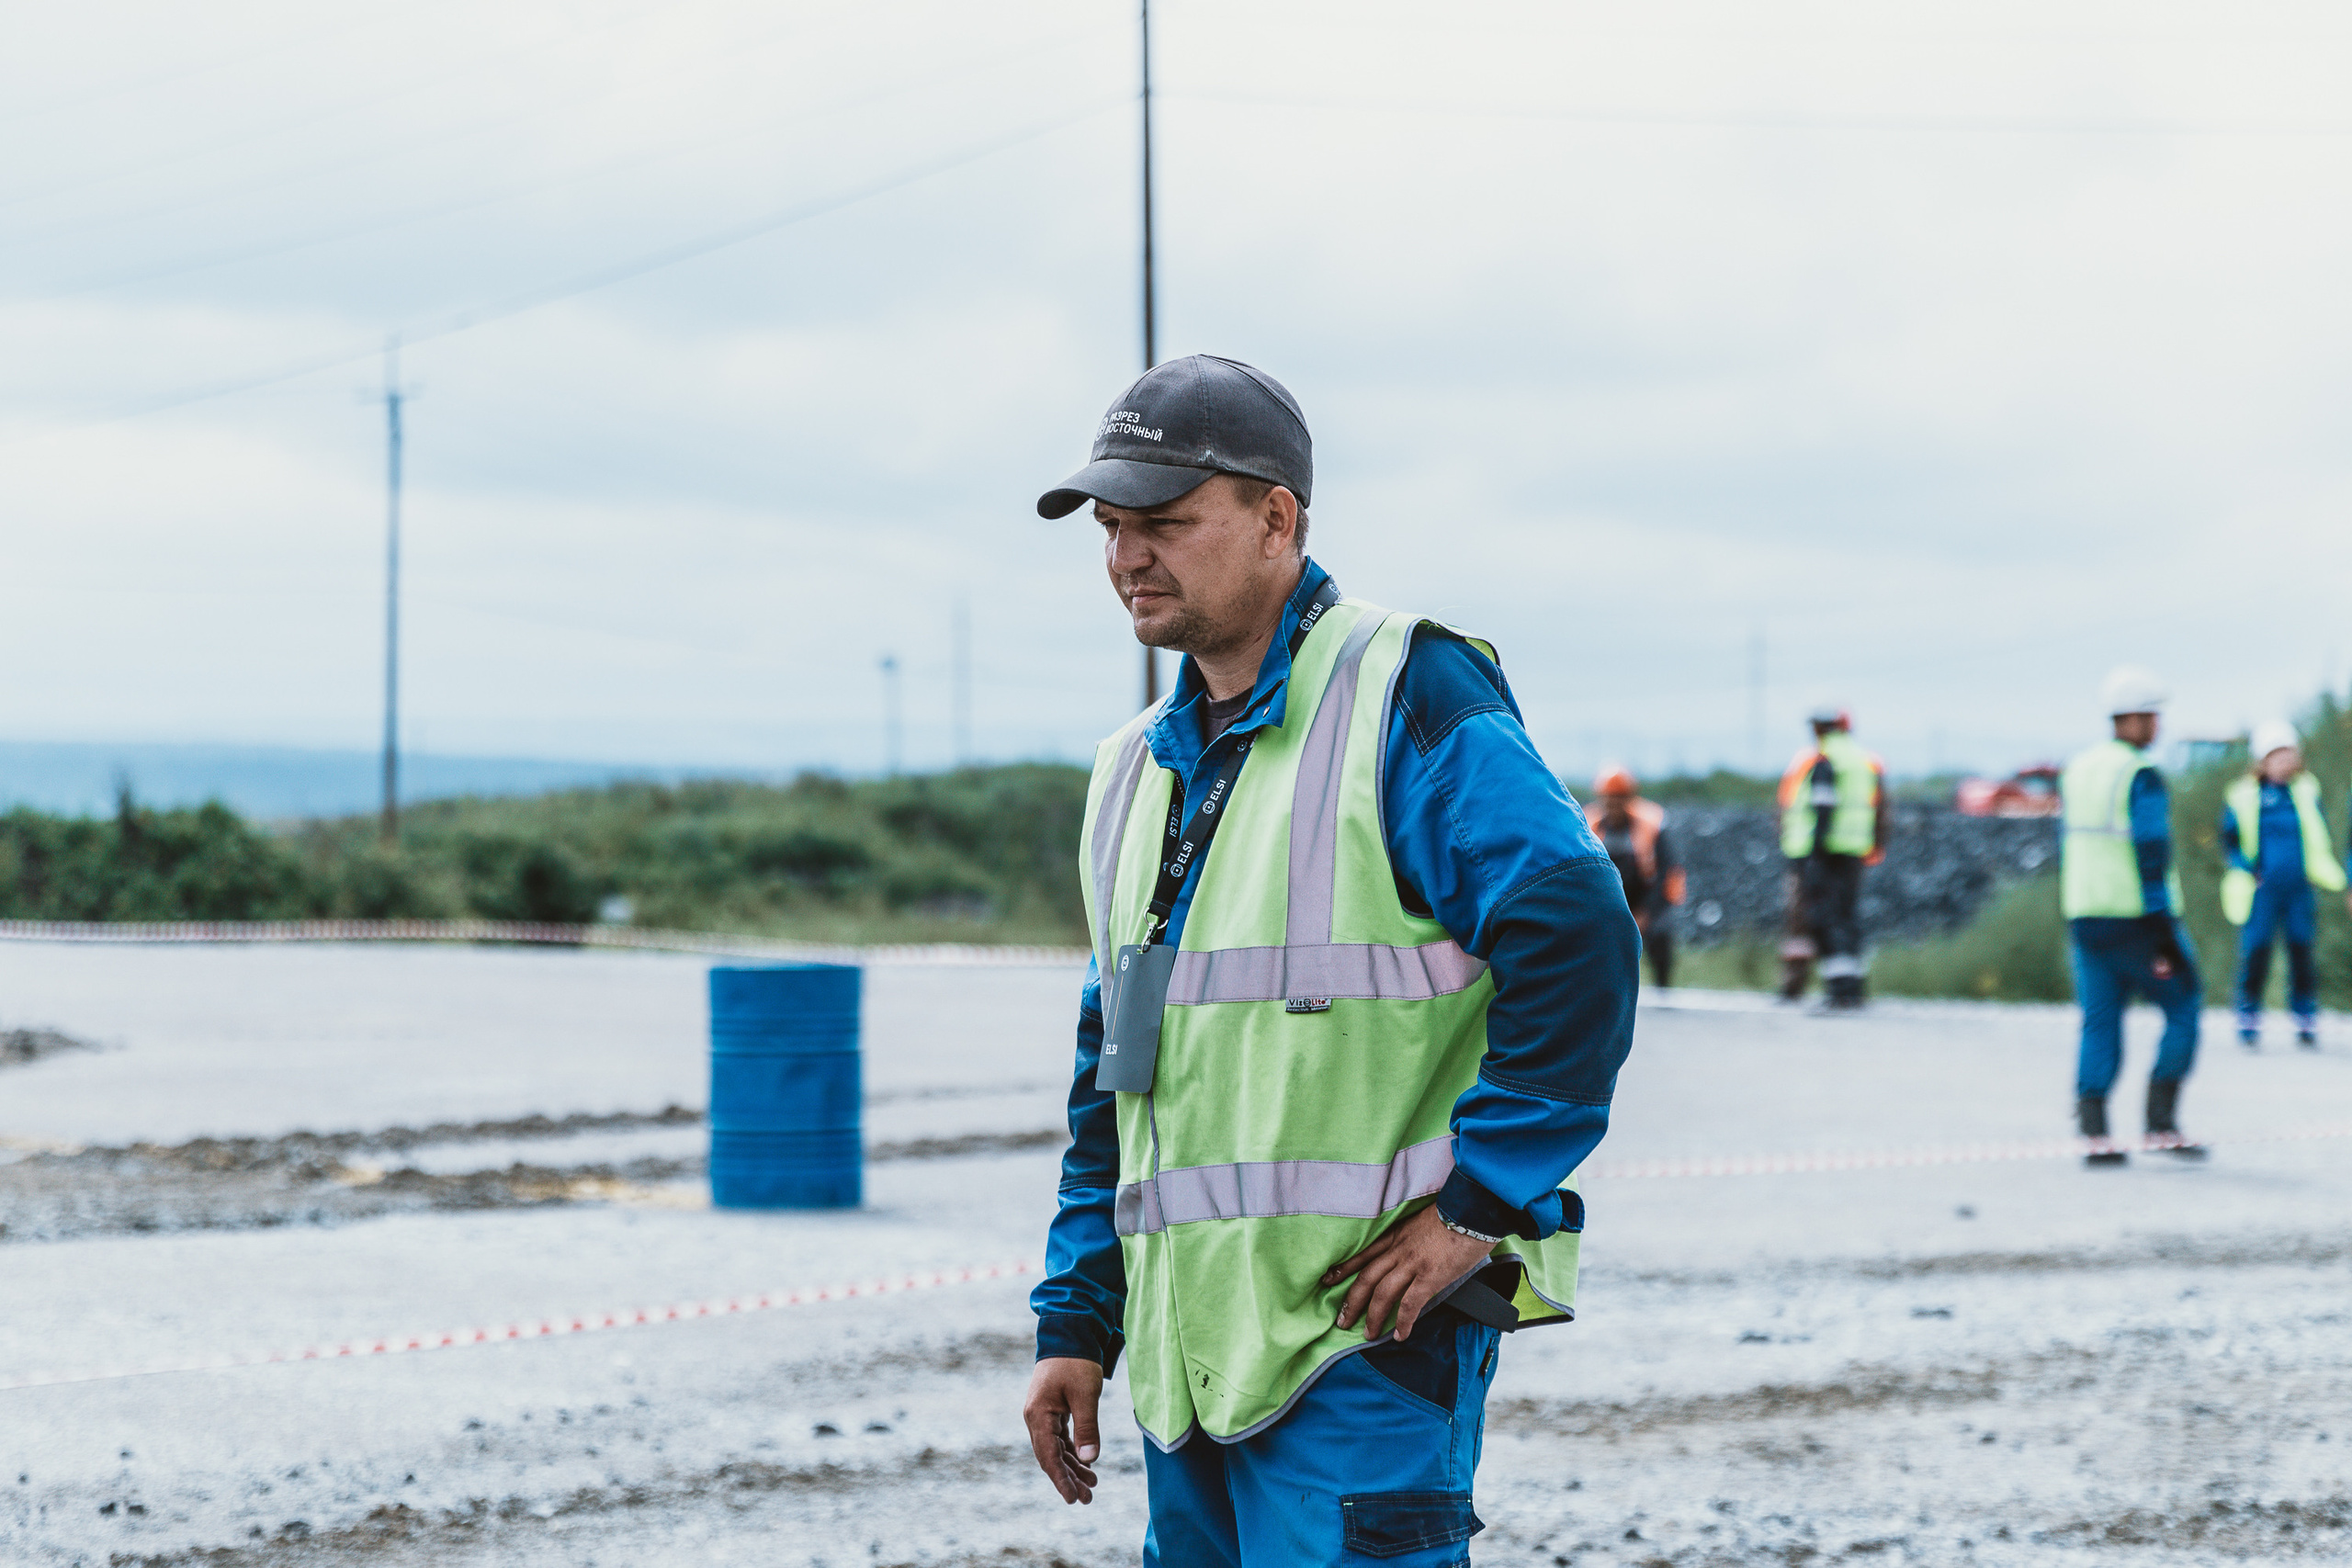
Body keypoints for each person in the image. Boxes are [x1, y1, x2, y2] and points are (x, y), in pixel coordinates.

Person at [1020, 354, 1639, 1566]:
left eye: (1164, 522)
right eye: (1111, 527)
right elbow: (1119, 1071)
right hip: (1196, 1367)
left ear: (1276, 518)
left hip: (1360, 1351)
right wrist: (1078, 1313)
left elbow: (1576, 925)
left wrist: (1481, 1201)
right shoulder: (1135, 770)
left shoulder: (1403, 690)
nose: (1127, 556)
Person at [2059, 666, 2203, 1166]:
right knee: (2184, 1006)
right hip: (2137, 921)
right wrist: (2164, 931)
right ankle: (2160, 1124)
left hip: (2084, 917)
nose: (2158, 727)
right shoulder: (2139, 774)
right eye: (2153, 717)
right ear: (2134, 719)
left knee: (2100, 1021)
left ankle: (2095, 1132)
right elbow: (2151, 851)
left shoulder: (2079, 768)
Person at [2221, 718, 2342, 1051]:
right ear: (2264, 759)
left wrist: (2334, 877)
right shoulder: (2244, 794)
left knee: (2301, 949)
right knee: (2257, 950)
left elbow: (2318, 837)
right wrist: (2247, 869)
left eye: (2290, 753)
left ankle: (2305, 1018)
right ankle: (2248, 1017)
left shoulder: (2306, 790)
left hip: (2299, 887)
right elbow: (2229, 842)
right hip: (2262, 890)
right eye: (2279, 754)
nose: (2287, 760)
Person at [1775, 705, 1888, 1007]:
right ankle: (1852, 987)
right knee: (1847, 918)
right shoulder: (1863, 760)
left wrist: (1815, 852)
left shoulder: (1825, 759)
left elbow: (1822, 806)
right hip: (1853, 851)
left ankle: (1839, 991)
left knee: (1826, 919)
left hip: (1824, 852)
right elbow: (1881, 809)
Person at [1585, 764, 1685, 987]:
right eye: (1609, 798)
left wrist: (1647, 913)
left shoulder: (1651, 823)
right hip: (1607, 901)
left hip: (1646, 897)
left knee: (1659, 934)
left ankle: (1662, 986)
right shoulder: (1588, 824)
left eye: (1619, 798)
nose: (1614, 804)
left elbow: (1667, 870)